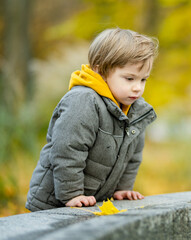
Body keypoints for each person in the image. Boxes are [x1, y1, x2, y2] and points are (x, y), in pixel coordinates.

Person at [26, 28, 158, 211]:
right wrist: (71, 193)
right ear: (100, 71)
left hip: (90, 203)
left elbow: (133, 156)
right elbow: (67, 150)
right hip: (54, 202)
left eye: (143, 80)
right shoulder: (84, 101)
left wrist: (122, 189)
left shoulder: (135, 112)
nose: (137, 88)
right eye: (129, 78)